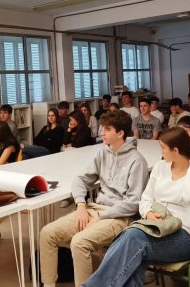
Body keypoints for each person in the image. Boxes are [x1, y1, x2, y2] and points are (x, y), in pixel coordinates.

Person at [83, 127, 190, 287]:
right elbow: (145, 199)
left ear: (176, 150)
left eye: (163, 148)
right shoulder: (160, 167)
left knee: (133, 239)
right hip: (155, 227)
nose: (161, 152)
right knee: (131, 251)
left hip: (186, 235)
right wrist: (149, 213)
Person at [39, 110, 149, 286]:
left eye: (107, 129)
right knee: (47, 233)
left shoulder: (137, 161)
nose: (101, 133)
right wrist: (81, 206)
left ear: (120, 133)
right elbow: (81, 179)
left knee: (79, 243)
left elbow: (133, 204)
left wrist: (100, 217)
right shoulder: (103, 152)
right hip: (94, 209)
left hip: (119, 217)